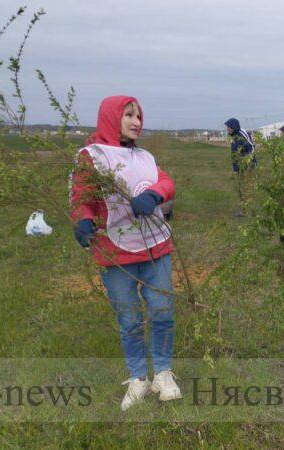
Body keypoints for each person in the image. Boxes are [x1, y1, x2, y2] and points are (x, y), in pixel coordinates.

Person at [70, 96, 181, 411]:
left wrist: (155, 193)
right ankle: (138, 379)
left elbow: (167, 183)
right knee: (129, 318)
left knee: (162, 311)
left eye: (139, 115)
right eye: (129, 115)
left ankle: (162, 373)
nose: (136, 121)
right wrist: (84, 221)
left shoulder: (145, 156)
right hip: (115, 253)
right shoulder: (92, 157)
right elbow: (82, 197)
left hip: (156, 246)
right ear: (110, 117)